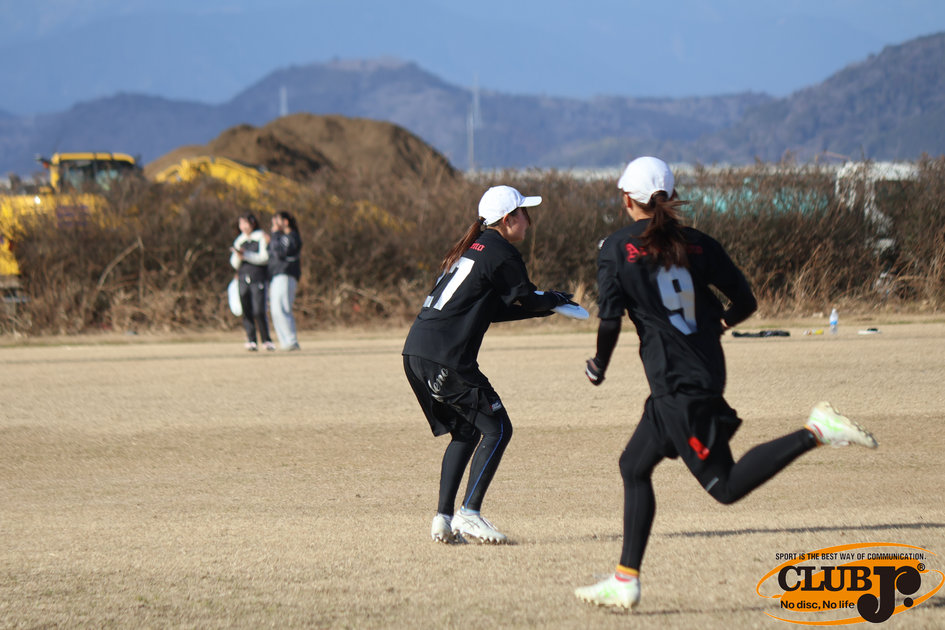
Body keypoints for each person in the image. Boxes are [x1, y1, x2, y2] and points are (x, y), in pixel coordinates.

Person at [574, 157, 878, 610]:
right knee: (633, 465)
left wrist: (599, 364)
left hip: (679, 384)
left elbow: (611, 319)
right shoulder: (698, 244)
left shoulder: (616, 247)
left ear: (626, 199)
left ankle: (816, 431)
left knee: (725, 486)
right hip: (696, 373)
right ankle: (625, 580)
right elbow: (746, 301)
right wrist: (716, 325)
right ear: (671, 197)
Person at [403, 185, 576, 545]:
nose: (528, 221)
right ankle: (469, 513)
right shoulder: (501, 251)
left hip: (417, 353)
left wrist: (545, 307)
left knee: (467, 432)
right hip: (446, 357)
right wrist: (553, 299)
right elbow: (526, 297)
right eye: (524, 214)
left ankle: (443, 519)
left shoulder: (474, 247)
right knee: (498, 428)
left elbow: (493, 309)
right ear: (508, 218)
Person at [229, 212, 275, 351]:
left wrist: (246, 255)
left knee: (259, 310)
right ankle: (251, 339)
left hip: (258, 277)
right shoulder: (239, 240)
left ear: (252, 223)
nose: (243, 226)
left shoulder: (261, 237)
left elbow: (264, 258)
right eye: (241, 224)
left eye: (245, 223)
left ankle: (266, 340)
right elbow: (234, 263)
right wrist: (238, 256)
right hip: (243, 278)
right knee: (246, 309)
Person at [267, 211, 302, 351]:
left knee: (283, 308)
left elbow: (280, 252)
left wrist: (275, 234)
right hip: (276, 275)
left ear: (285, 222)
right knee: (276, 310)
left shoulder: (292, 237)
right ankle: (285, 342)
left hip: (286, 275)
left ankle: (291, 341)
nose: (274, 225)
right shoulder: (280, 238)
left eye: (276, 221)